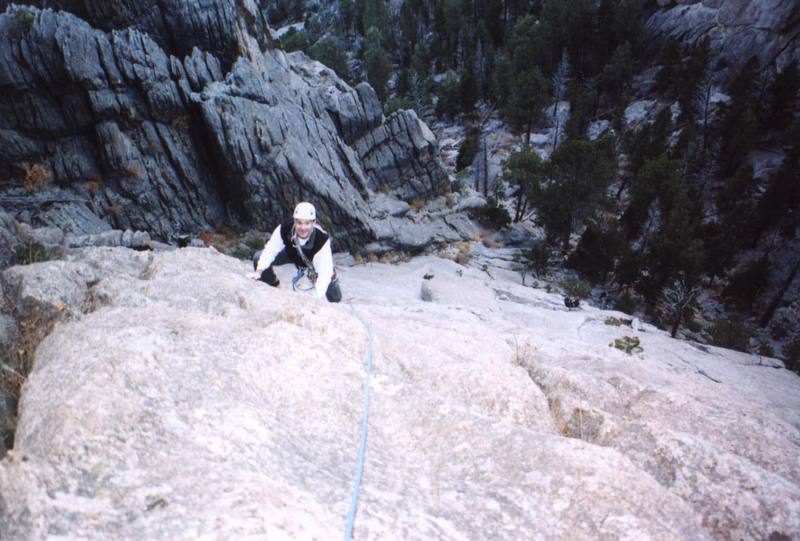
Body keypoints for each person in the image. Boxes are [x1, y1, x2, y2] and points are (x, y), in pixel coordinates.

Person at [250, 202, 342, 303]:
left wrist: (315, 298)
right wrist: (259, 271)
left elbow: (324, 272)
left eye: (307, 223)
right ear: (294, 221)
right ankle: (273, 287)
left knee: (335, 297)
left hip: (313, 263)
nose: (303, 228)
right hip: (292, 254)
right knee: (258, 257)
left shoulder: (322, 239)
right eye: (299, 223)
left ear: (314, 222)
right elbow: (271, 249)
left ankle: (333, 282)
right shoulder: (284, 228)